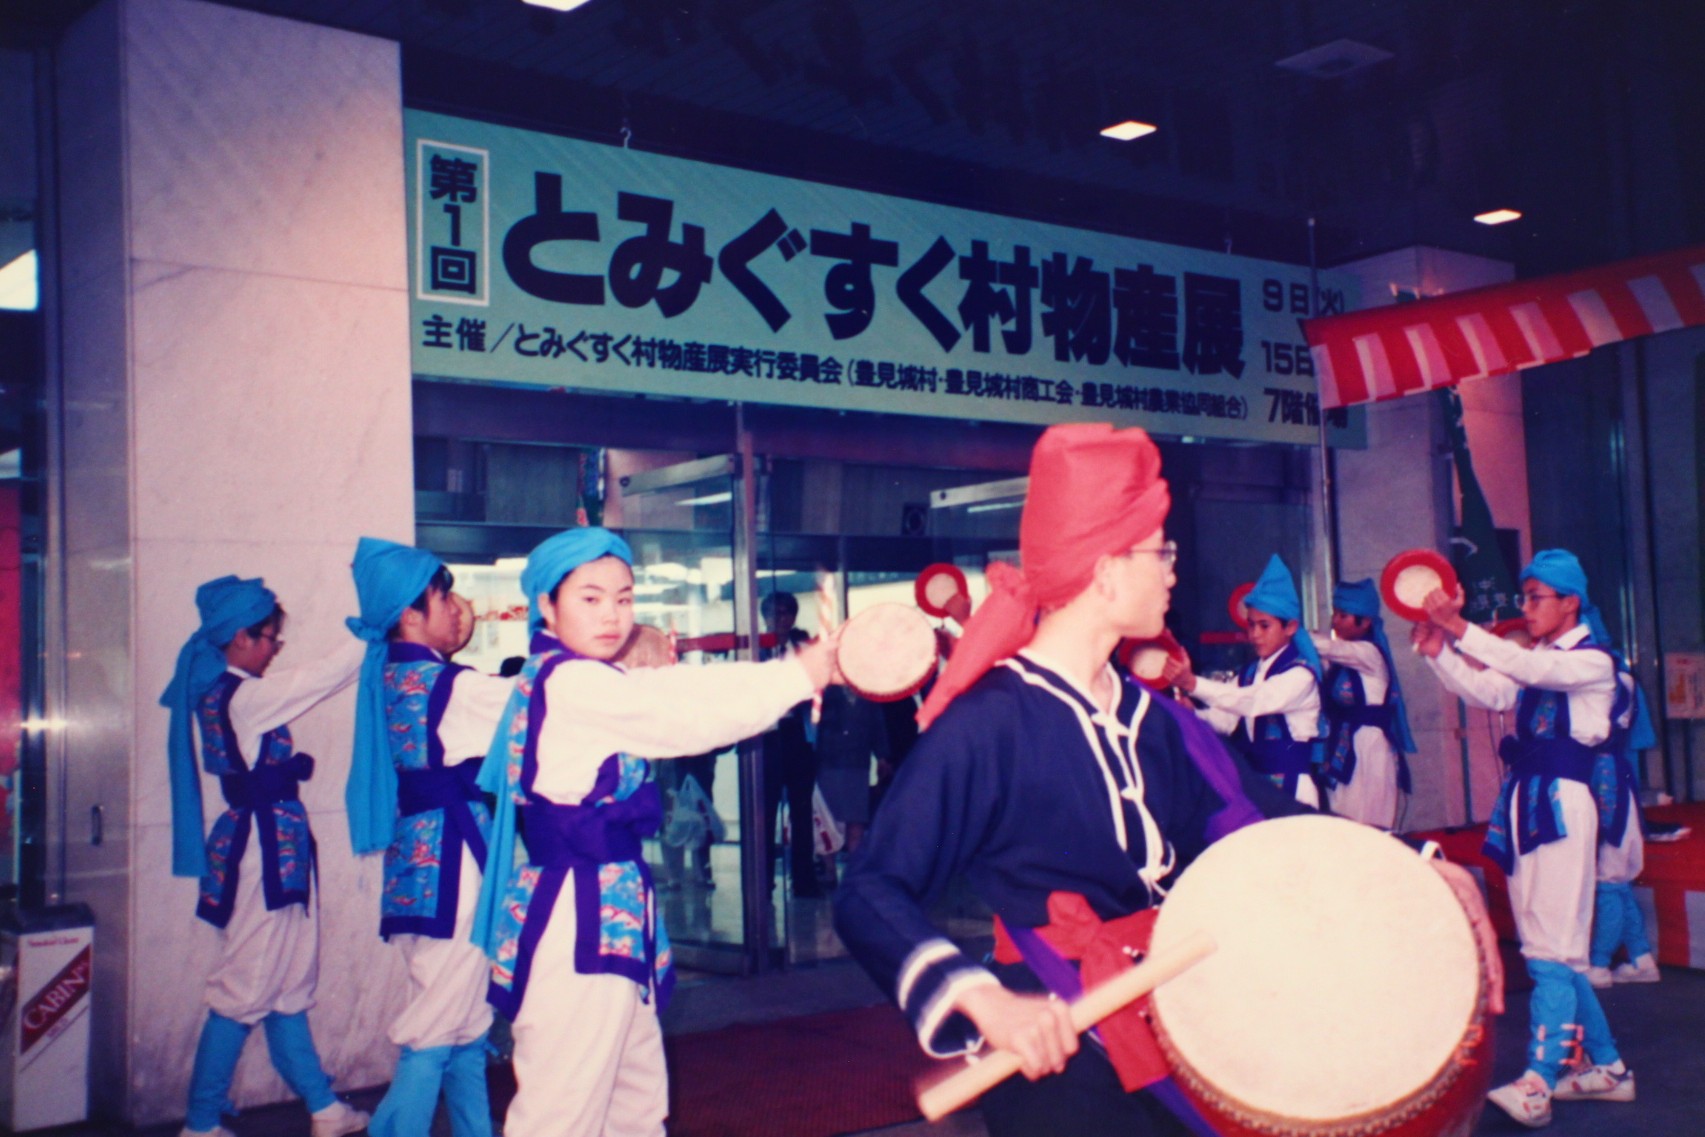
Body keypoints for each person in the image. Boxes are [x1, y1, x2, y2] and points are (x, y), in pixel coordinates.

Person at [833, 424, 1325, 1136]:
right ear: (1104, 570)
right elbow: (870, 887)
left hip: (1171, 1016)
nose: (1173, 571)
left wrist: (1415, 865)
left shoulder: (1155, 718)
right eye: (1160, 552)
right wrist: (981, 998)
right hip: (1054, 1048)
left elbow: (1261, 819)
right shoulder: (989, 723)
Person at [470, 528, 838, 1137]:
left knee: (632, 1099)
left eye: (624, 598)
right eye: (590, 598)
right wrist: (799, 676)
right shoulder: (571, 681)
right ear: (546, 605)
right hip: (578, 916)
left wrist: (794, 672)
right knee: (562, 1112)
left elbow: (676, 689)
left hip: (602, 908)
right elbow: (680, 717)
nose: (612, 615)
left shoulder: (573, 673)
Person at [1414, 549, 1635, 1127]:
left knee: (1550, 948)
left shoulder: (1593, 662)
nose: (1527, 608)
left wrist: (1457, 627)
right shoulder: (1541, 660)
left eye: (1536, 598)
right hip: (1529, 802)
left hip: (1562, 803)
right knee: (1550, 946)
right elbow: (1493, 692)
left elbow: (1529, 673)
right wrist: (1440, 654)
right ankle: (1610, 1068)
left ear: (1571, 603)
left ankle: (1539, 1080)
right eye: (1525, 597)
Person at [161, 575, 369, 1137]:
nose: (276, 648)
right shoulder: (244, 697)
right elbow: (321, 677)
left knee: (286, 987)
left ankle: (324, 1108)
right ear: (240, 637)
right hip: (264, 853)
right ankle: (200, 1123)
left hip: (273, 848)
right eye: (270, 637)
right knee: (243, 990)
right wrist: (371, 633)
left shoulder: (227, 692)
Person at [345, 538, 514, 1137]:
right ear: (412, 615)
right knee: (439, 1028)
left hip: (415, 865)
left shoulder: (388, 675)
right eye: (444, 599)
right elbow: (537, 704)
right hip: (454, 866)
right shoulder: (449, 686)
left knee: (462, 1025)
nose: (456, 610)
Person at [1164, 554, 1326, 807]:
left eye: (1264, 626)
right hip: (1258, 787)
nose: (1255, 635)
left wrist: (1193, 684)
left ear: (1291, 627)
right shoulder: (1249, 673)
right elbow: (1226, 720)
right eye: (1251, 625)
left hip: (1294, 789)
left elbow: (1252, 701)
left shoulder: (1300, 675)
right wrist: (1194, 714)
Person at [1313, 579, 1415, 829]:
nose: (1335, 621)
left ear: (1365, 622)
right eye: (1335, 614)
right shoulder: (1339, 661)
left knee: (1369, 825)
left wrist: (1289, 630)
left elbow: (1326, 646)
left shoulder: (1369, 654)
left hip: (1370, 749)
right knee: (1342, 822)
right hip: (1342, 745)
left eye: (1343, 616)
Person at [758, 590, 821, 897]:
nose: (780, 619)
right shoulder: (753, 649)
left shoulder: (802, 648)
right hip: (765, 737)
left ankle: (804, 879)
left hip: (797, 733)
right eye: (774, 613)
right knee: (764, 811)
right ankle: (763, 880)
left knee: (802, 809)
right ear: (764, 616)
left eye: (786, 613)